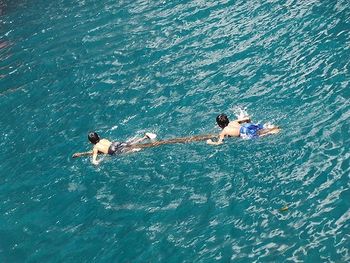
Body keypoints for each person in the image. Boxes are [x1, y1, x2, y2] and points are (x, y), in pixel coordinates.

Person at [206, 113, 280, 145]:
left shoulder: (224, 131)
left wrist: (210, 142)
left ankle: (274, 131)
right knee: (261, 130)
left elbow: (220, 143)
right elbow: (247, 118)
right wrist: (250, 123)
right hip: (247, 125)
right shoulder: (233, 122)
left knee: (260, 134)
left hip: (244, 131)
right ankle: (274, 128)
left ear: (219, 125)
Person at [88, 132, 156, 165]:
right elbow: (110, 144)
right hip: (115, 143)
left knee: (127, 151)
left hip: (112, 150)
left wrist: (95, 162)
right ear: (99, 136)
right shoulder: (104, 140)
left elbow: (94, 157)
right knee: (130, 143)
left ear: (91, 142)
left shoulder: (95, 147)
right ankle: (145, 137)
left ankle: (134, 150)